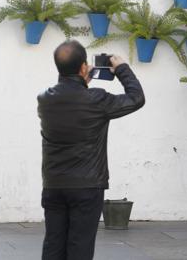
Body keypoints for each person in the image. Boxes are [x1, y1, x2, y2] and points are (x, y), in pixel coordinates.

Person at [37, 40, 145, 259]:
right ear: (84, 67)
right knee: (80, 247)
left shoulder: (45, 99)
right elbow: (136, 98)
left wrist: (81, 80)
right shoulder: (97, 99)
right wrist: (122, 68)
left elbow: (71, 96)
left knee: (53, 244)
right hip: (87, 187)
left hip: (54, 185)